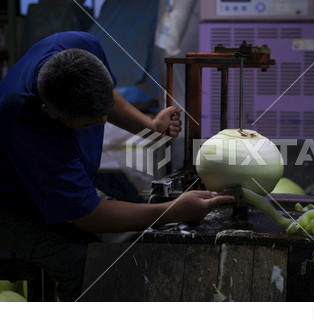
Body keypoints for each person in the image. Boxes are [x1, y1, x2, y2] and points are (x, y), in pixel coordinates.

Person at [0, 31, 233, 301]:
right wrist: (171, 211)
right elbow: (88, 216)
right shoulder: (25, 125)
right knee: (85, 264)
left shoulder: (78, 44)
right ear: (50, 113)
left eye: (104, 113)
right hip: (12, 204)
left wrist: (150, 126)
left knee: (123, 243)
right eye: (89, 123)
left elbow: (106, 96)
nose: (103, 122)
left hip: (57, 179)